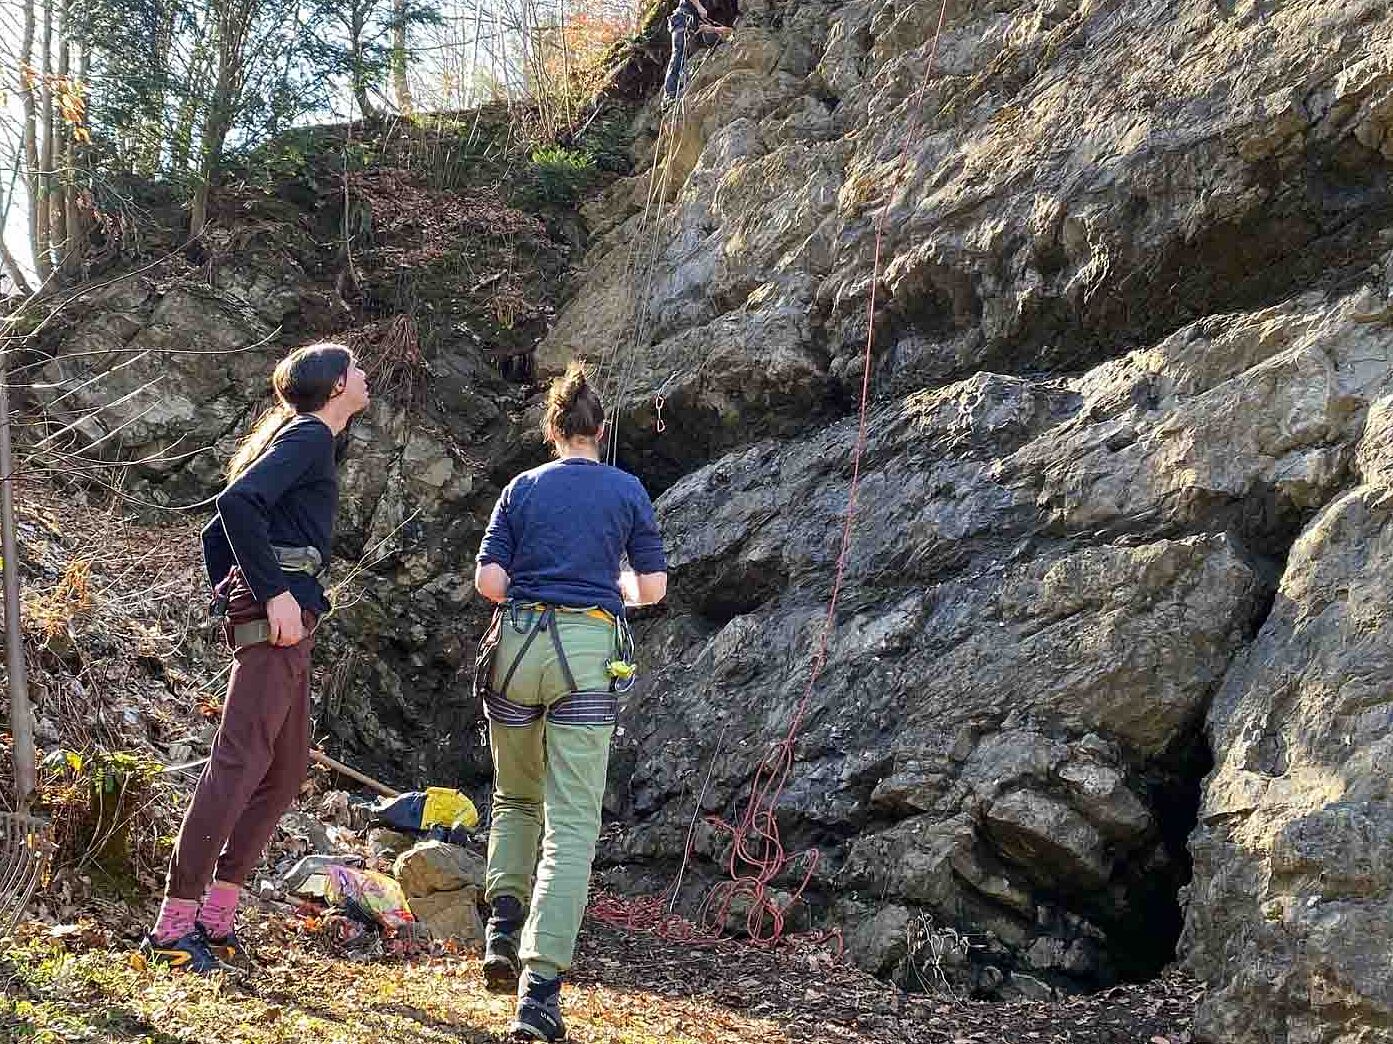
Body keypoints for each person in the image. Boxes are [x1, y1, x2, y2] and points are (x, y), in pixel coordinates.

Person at [140, 342, 370, 972]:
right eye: (356, 369)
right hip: (280, 618)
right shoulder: (308, 438)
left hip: (286, 619)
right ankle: (172, 924)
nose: (365, 376)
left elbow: (220, 533)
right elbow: (232, 508)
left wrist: (239, 598)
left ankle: (216, 915)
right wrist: (268, 596)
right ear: (333, 386)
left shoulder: (306, 439)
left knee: (287, 768)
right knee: (238, 763)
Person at [474, 362, 668, 1042]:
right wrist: (610, 582)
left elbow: (490, 581)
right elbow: (652, 589)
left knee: (515, 797)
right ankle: (538, 991)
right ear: (599, 429)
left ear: (550, 429)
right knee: (573, 824)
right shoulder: (626, 490)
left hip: (516, 651)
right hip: (584, 655)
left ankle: (500, 926)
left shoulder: (521, 488)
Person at [663, 0, 733, 105]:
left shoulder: (720, 8)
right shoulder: (700, 7)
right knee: (679, 53)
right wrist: (699, 6)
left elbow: (730, 30)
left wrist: (712, 28)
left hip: (690, 24)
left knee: (681, 53)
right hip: (682, 19)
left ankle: (675, 90)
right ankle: (669, 94)